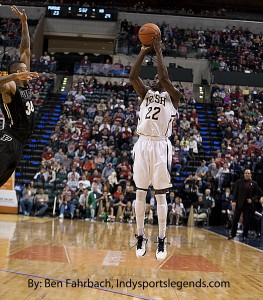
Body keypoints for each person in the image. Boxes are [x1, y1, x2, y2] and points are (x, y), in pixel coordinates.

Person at [129, 35, 181, 260]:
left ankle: (161, 240)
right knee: (140, 192)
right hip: (142, 144)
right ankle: (140, 236)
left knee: (160, 196)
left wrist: (158, 50)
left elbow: (162, 75)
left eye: (160, 79)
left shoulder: (174, 97)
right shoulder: (146, 94)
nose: (155, 79)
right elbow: (133, 76)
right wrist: (143, 51)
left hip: (161, 146)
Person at [0, 6, 38, 187]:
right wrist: (15, 76)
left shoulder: (24, 84)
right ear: (15, 72)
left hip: (19, 143)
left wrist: (24, 23)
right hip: (8, 138)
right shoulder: (11, 85)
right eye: (24, 71)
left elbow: (25, 48)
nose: (27, 72)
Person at [228, 169, 262, 241]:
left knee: (246, 221)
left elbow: (258, 194)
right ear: (244, 174)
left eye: (248, 173)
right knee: (235, 219)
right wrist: (233, 201)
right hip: (239, 203)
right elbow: (235, 192)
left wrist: (252, 199)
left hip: (248, 205)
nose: (247, 174)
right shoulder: (239, 182)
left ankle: (244, 236)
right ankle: (232, 234)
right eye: (246, 173)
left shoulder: (254, 184)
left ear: (250, 175)